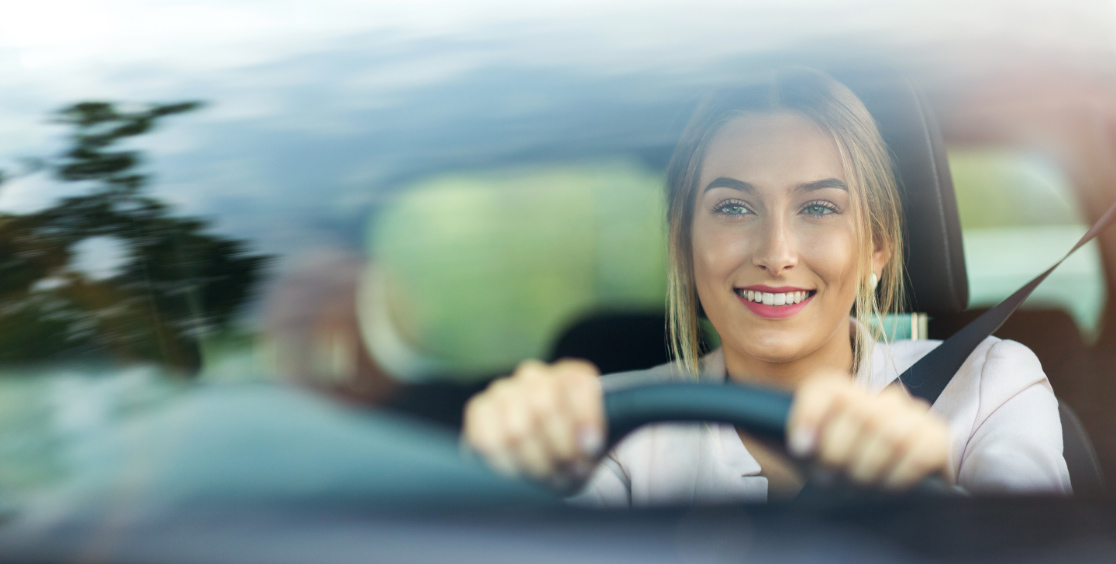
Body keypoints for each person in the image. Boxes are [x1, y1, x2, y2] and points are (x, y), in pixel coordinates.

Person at [462, 68, 1072, 506]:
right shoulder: (609, 428)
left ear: (877, 246)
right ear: (682, 243)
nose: (776, 254)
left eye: (818, 208)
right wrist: (502, 485)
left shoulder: (990, 387)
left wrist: (927, 507)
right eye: (732, 208)